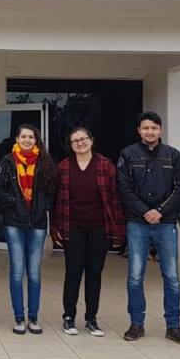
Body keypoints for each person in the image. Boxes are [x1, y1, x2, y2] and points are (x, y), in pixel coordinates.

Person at [117, 111, 180, 345]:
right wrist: (144, 212)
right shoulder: (128, 154)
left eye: (154, 128)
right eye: (145, 128)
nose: (150, 132)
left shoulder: (173, 155)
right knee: (135, 276)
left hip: (165, 223)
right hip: (137, 223)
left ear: (160, 130)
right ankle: (136, 324)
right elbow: (124, 188)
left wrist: (159, 211)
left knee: (172, 277)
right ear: (139, 130)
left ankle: (174, 326)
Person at [52, 126, 125, 338]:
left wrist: (117, 230)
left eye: (83, 139)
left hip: (99, 227)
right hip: (72, 226)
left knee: (94, 273)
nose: (80, 143)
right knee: (73, 272)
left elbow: (115, 198)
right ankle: (69, 316)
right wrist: (55, 226)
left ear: (91, 141)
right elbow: (55, 199)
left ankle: (91, 318)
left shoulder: (106, 166)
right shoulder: (63, 167)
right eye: (75, 141)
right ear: (71, 145)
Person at [0, 124, 55, 335]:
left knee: (34, 272)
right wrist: (15, 202)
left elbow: (51, 191)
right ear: (17, 138)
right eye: (24, 136)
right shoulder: (7, 161)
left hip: (37, 222)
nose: (28, 140)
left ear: (36, 139)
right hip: (14, 222)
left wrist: (44, 208)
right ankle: (19, 317)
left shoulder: (45, 162)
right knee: (17, 271)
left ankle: (33, 317)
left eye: (31, 137)